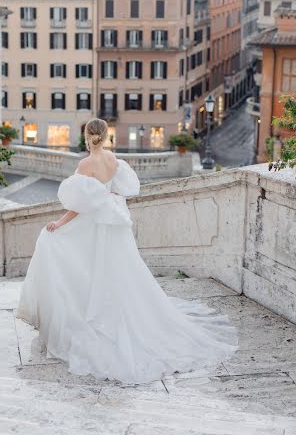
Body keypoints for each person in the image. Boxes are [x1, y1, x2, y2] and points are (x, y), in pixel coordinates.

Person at [16, 118, 238, 384]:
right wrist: (107, 196)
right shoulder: (113, 159)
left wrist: (59, 223)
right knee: (118, 274)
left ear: (87, 136)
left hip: (96, 226)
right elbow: (121, 190)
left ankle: (91, 318)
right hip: (115, 227)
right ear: (106, 135)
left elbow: (78, 205)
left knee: (56, 245)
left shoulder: (85, 164)